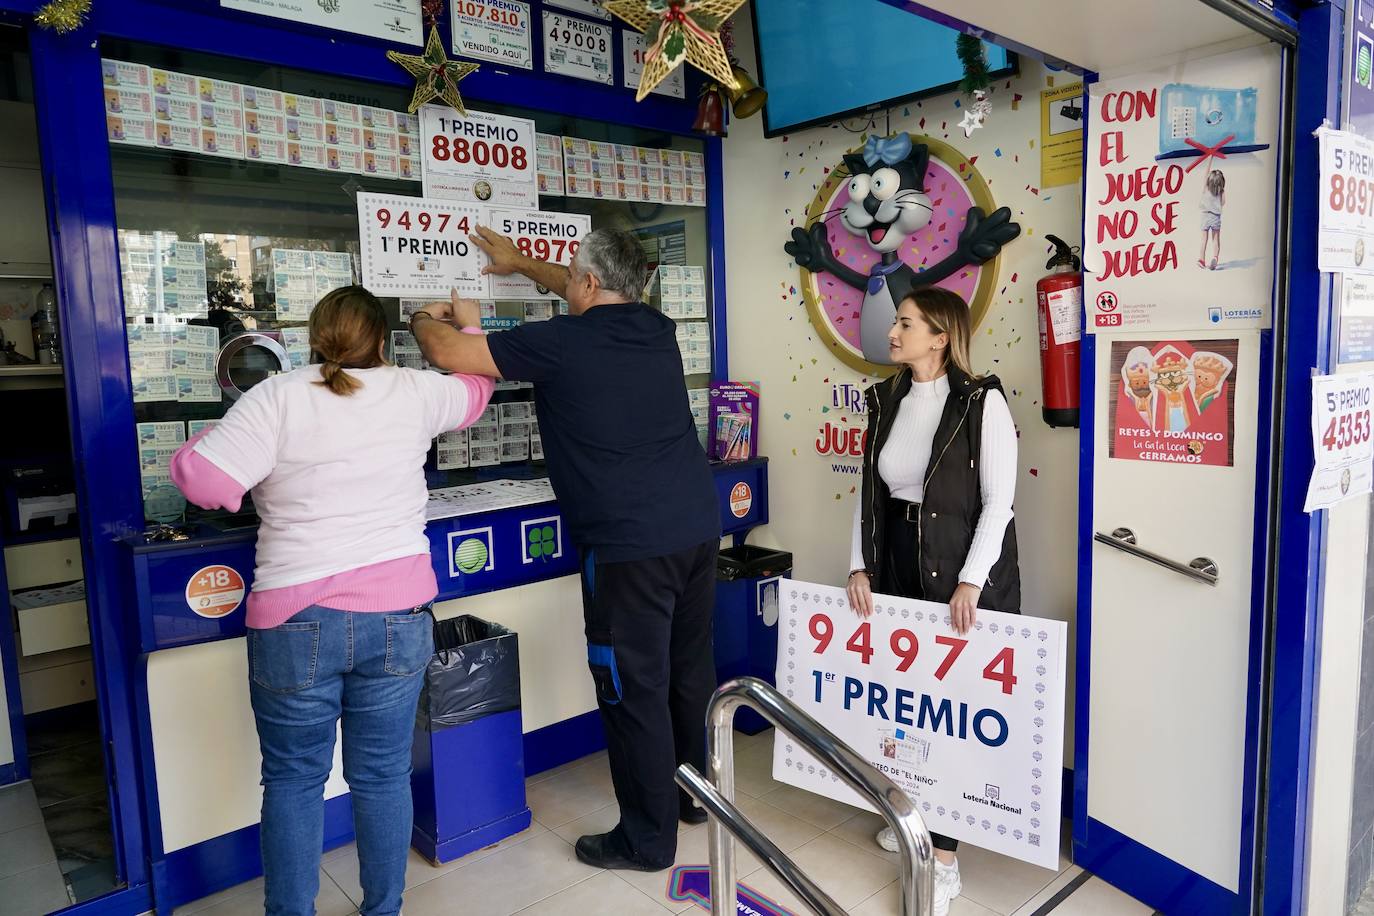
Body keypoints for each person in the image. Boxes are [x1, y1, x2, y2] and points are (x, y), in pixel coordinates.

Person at [168, 286, 494, 916]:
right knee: (381, 778)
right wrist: (468, 325)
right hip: (398, 620)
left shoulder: (275, 397)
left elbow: (205, 482)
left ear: (315, 336)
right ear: (381, 340)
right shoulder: (416, 391)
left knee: (293, 783)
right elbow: (476, 391)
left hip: (295, 624)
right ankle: (383, 909)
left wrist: (208, 438)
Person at [408, 226, 721, 873]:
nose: (569, 283)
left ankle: (646, 839)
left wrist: (430, 316)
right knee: (686, 676)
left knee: (632, 689)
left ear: (586, 284)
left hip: (628, 548)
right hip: (694, 530)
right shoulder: (655, 327)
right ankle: (694, 798)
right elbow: (587, 289)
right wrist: (522, 264)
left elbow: (447, 353)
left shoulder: (559, 342)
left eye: (572, 276)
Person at [845, 287, 1020, 916]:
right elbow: (869, 493)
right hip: (895, 564)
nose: (893, 332)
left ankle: (944, 861)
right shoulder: (888, 397)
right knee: (905, 706)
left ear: (941, 335)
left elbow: (999, 501)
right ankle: (910, 815)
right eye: (896, 322)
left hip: (958, 576)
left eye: (906, 323)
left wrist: (972, 579)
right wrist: (859, 564)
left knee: (951, 714)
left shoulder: (982, 401)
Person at [1198, 169, 1225, 270]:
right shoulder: (1221, 191)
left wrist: (1210, 157)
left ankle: (1201, 259)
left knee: (1204, 239)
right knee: (1215, 239)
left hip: (1205, 215)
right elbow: (1223, 202)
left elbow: (1206, 173)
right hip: (1215, 216)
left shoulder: (1206, 188)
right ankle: (1215, 257)